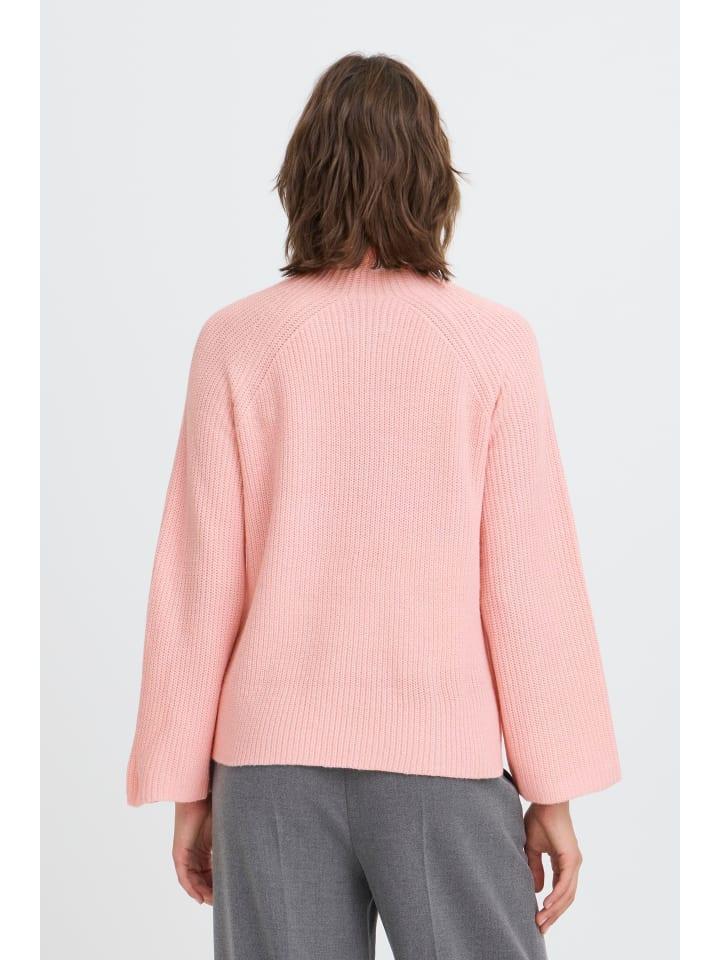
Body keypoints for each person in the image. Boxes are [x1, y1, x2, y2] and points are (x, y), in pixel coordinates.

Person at [127, 53, 620, 960]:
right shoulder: (493, 345)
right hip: (443, 757)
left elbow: (198, 583)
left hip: (268, 766)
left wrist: (188, 787)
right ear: (433, 178)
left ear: (302, 175)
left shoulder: (236, 341)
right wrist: (551, 787)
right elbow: (529, 582)